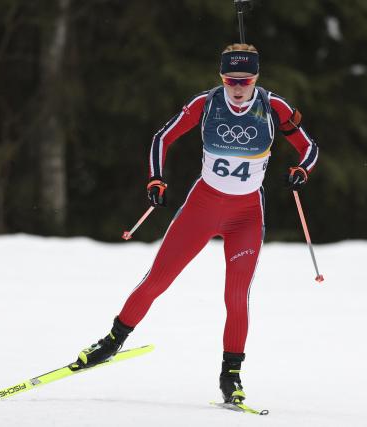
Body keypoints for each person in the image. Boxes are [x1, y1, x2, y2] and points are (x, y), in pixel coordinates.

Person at [75, 43, 319, 405]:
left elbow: (310, 147)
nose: (237, 87)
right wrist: (156, 179)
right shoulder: (205, 104)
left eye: (245, 79)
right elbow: (162, 138)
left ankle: (230, 377)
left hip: (246, 217)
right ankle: (111, 341)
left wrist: (302, 170)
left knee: (236, 297)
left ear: (256, 78)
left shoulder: (274, 107)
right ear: (221, 77)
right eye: (230, 79)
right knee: (157, 280)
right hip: (201, 208)